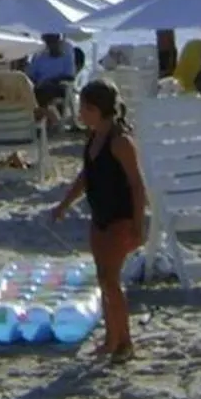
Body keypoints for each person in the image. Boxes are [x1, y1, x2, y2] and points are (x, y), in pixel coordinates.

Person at [49, 79, 148, 363]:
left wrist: (139, 225)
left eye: (83, 108)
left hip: (120, 219)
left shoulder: (120, 141)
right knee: (103, 280)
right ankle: (111, 339)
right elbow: (87, 176)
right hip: (100, 217)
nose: (80, 114)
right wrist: (64, 204)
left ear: (96, 109)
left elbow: (137, 185)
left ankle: (124, 342)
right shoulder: (94, 137)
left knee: (110, 280)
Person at [28, 32, 78, 127]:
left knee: (43, 90)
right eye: (49, 42)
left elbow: (70, 76)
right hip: (40, 85)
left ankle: (43, 119)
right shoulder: (40, 55)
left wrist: (51, 81)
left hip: (60, 85)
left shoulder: (66, 52)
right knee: (28, 89)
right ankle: (44, 118)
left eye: (54, 42)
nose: (52, 45)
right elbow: (32, 74)